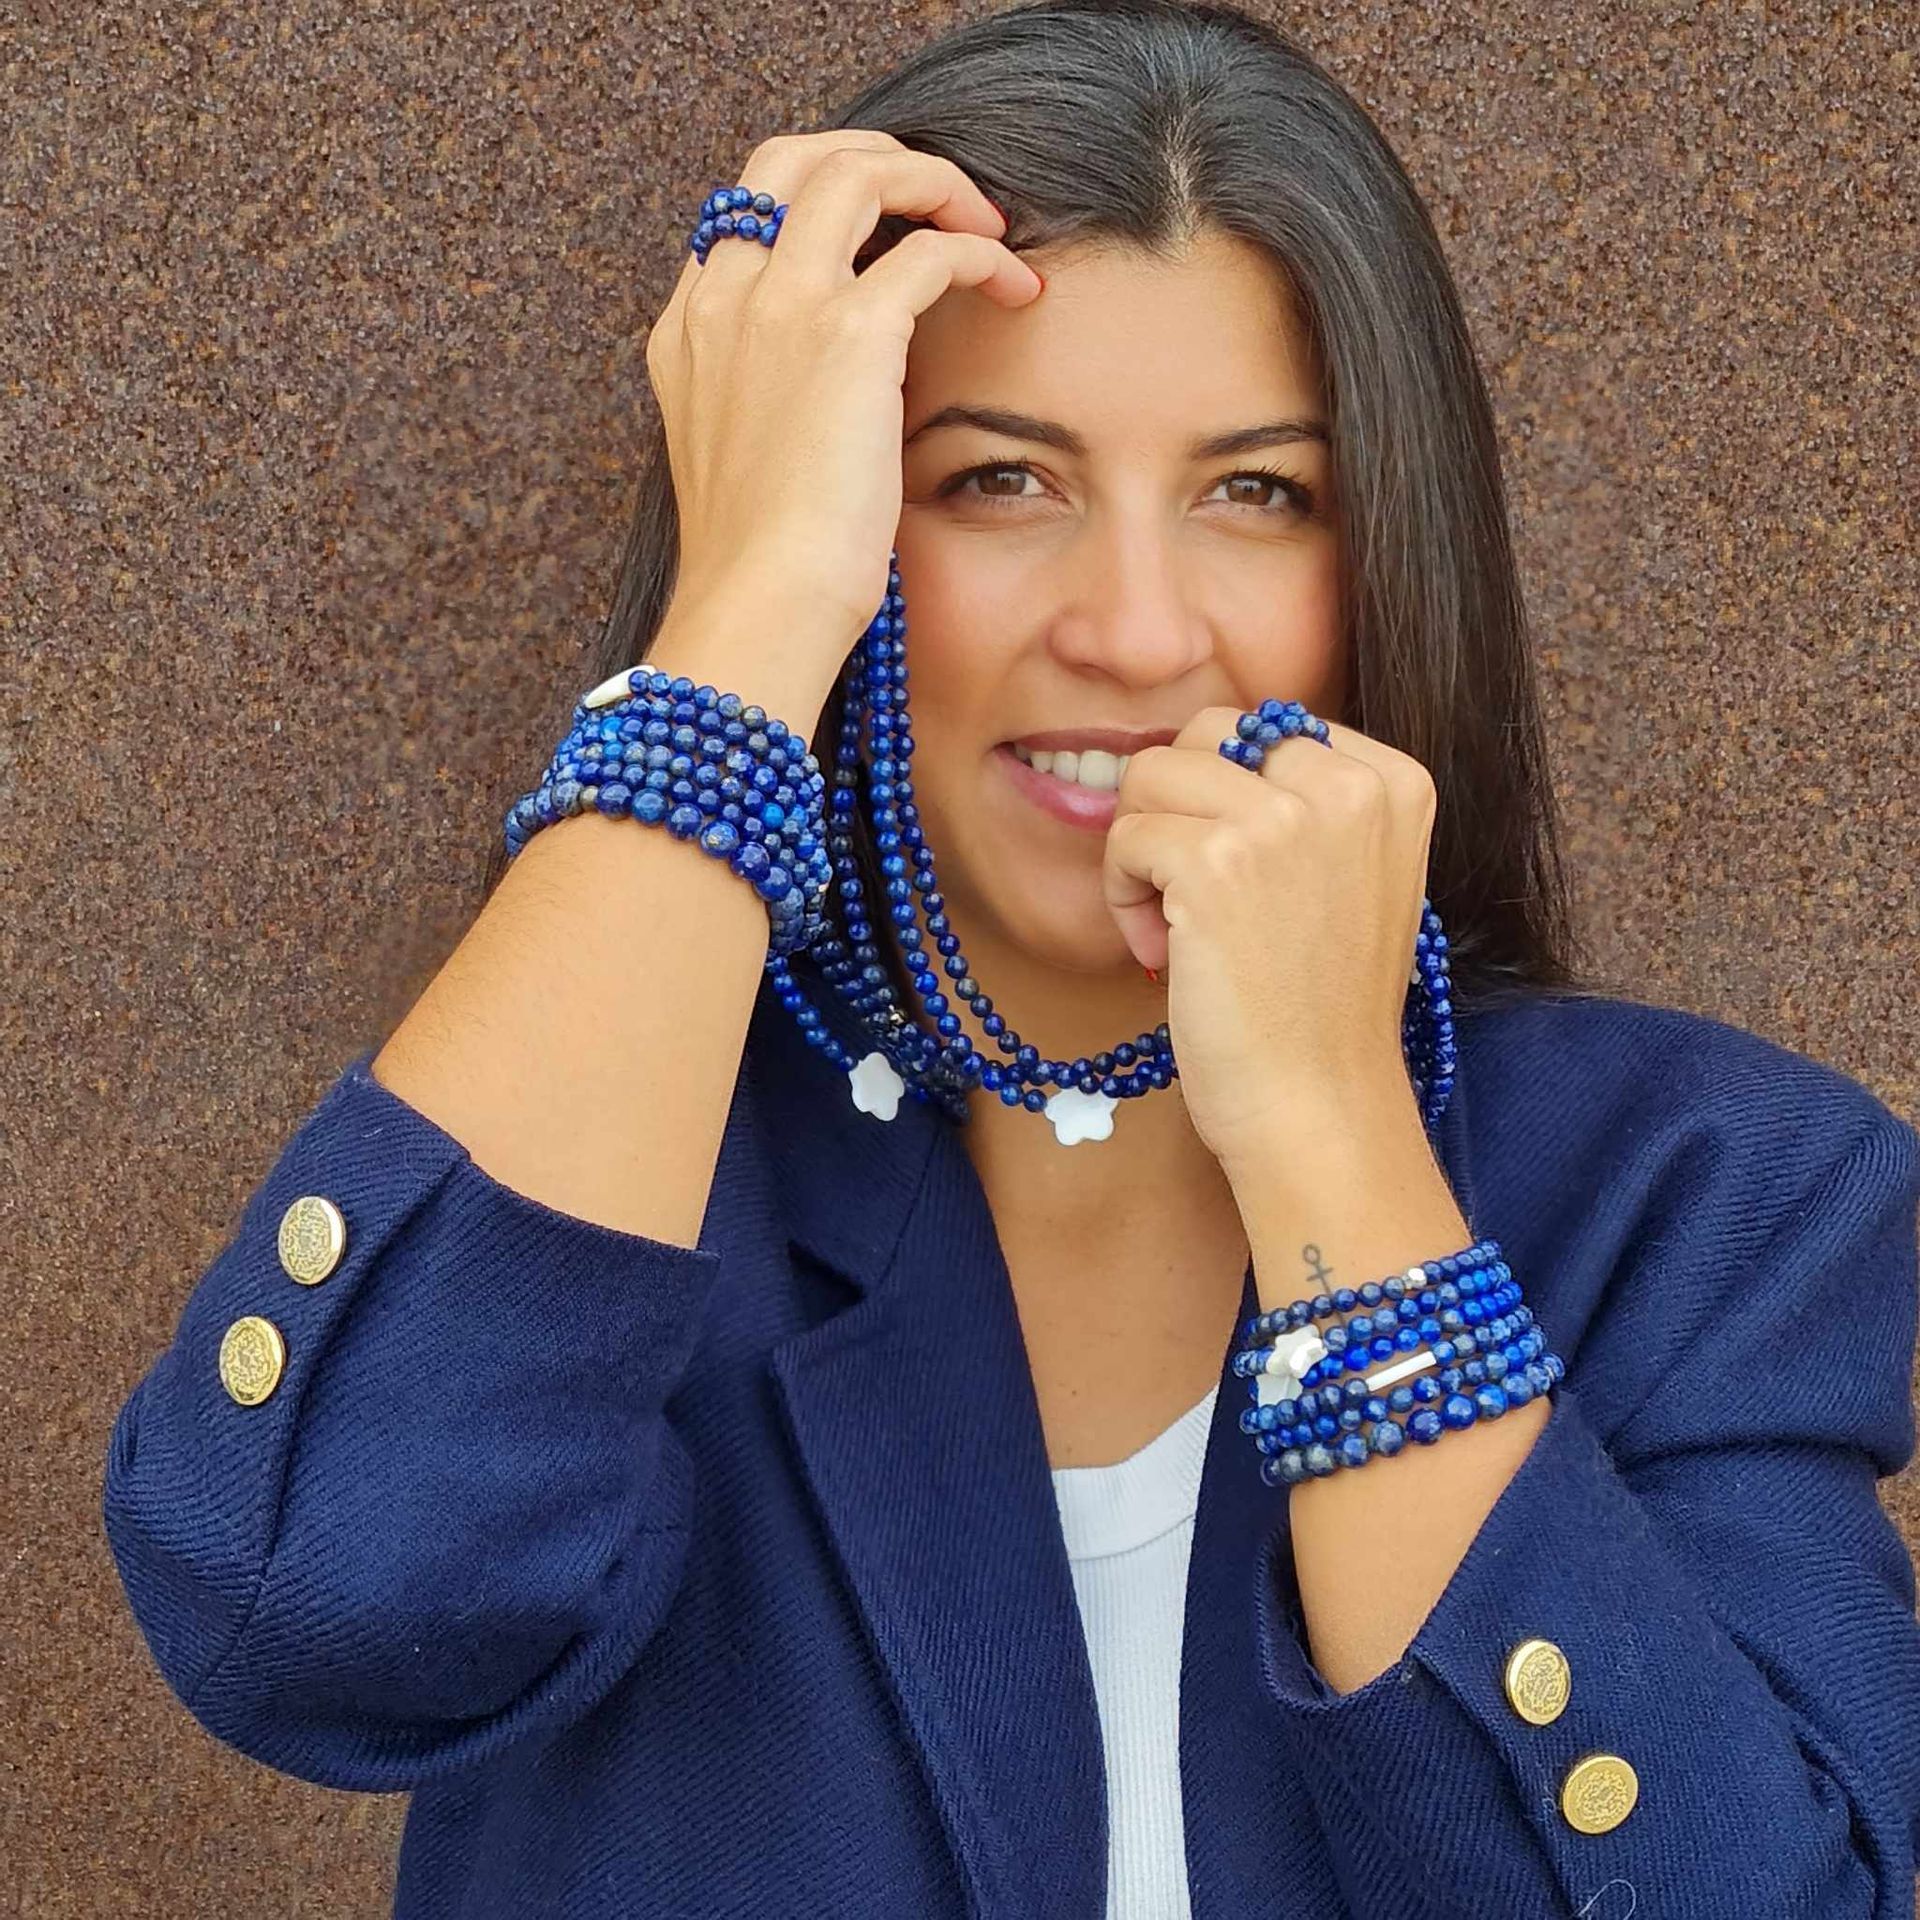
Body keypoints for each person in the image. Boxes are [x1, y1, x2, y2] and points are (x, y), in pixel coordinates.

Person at [101, 3, 1920, 1915]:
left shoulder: (1705, 1194)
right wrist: (744, 620)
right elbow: (312, 1622)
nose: (1135, 632)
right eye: (996, 481)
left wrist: (1335, 1140)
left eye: (1257, 492)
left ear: (1387, 553)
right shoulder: (627, 1188)